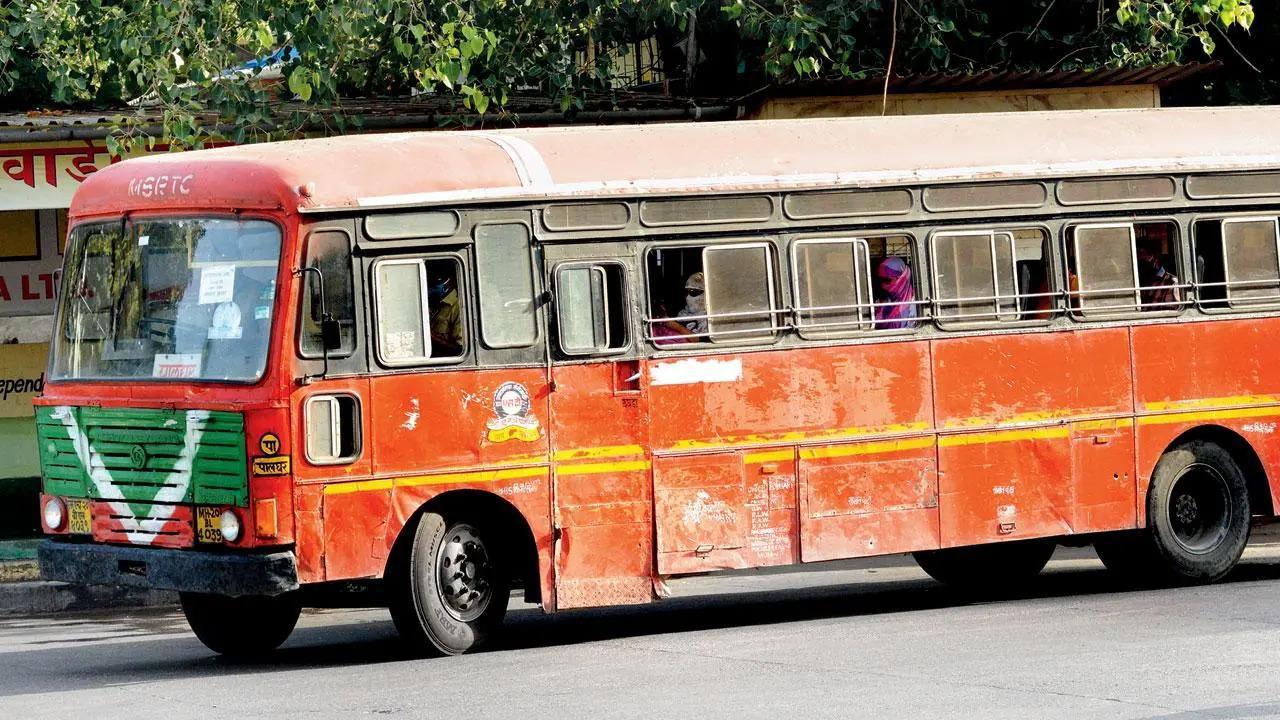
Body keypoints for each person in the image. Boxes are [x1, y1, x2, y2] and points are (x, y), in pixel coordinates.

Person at [428, 266, 463, 356]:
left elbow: (459, 349)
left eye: (435, 283)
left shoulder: (458, 307)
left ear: (447, 283)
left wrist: (430, 336)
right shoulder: (435, 303)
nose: (430, 289)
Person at [874, 257, 917, 329]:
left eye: (887, 280)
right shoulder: (884, 299)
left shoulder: (917, 303)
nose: (883, 286)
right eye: (880, 281)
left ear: (901, 278)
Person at [1137, 241, 1180, 310]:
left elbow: (1171, 313)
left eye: (1145, 256)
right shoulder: (1142, 282)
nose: (1141, 260)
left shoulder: (1172, 284)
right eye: (1139, 258)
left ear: (1155, 257)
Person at [675, 271, 708, 337]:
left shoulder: (710, 321)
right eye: (686, 292)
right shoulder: (683, 313)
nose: (687, 297)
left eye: (693, 292)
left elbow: (700, 340)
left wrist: (677, 327)